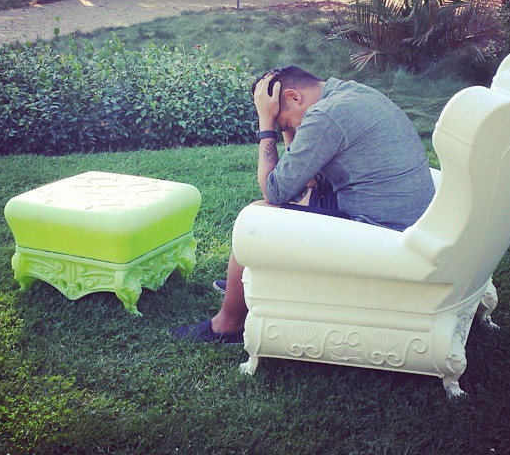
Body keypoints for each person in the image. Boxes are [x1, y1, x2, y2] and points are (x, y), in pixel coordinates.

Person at [170, 66, 435, 344]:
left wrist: (266, 123)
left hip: (381, 239)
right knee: (302, 198)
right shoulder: (350, 93)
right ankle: (251, 282)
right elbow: (303, 181)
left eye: (284, 124)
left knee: (257, 216)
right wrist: (286, 124)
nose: (290, 130)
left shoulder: (325, 116)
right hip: (405, 226)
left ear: (294, 97)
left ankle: (229, 324)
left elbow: (274, 191)